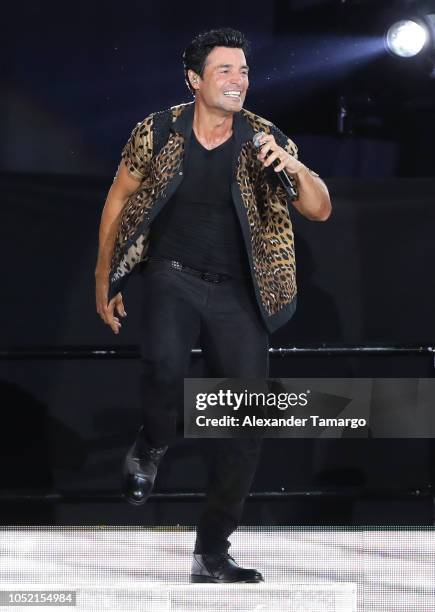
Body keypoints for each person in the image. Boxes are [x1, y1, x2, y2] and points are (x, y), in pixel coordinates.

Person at [95, 27, 331, 584]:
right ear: (194, 79)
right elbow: (119, 198)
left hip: (238, 291)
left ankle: (212, 551)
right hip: (171, 274)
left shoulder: (265, 139)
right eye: (225, 70)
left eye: (244, 71)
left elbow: (320, 209)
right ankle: (152, 443)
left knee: (246, 419)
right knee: (166, 365)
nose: (238, 80)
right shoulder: (157, 131)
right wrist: (103, 277)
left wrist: (293, 168)